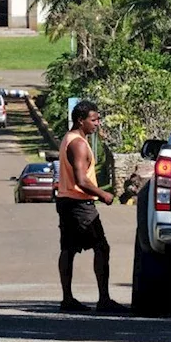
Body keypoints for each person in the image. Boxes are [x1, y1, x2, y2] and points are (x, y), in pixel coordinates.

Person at [55, 100, 126, 313]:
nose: (97, 124)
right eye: (93, 120)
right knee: (101, 247)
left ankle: (67, 299)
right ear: (80, 120)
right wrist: (103, 194)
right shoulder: (77, 143)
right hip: (79, 203)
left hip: (66, 201)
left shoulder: (69, 139)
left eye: (98, 119)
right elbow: (81, 180)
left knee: (68, 249)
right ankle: (103, 299)